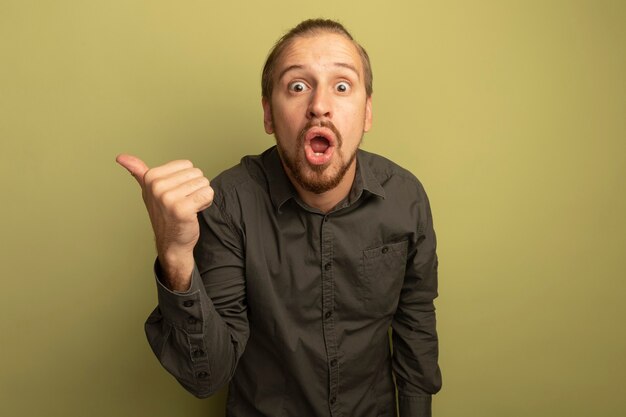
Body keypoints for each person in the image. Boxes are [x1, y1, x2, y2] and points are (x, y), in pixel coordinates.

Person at [117, 18, 441, 417]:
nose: (319, 105)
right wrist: (175, 254)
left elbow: (416, 327)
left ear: (367, 113)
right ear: (269, 116)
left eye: (342, 86)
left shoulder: (406, 198)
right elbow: (207, 377)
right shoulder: (228, 206)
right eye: (298, 86)